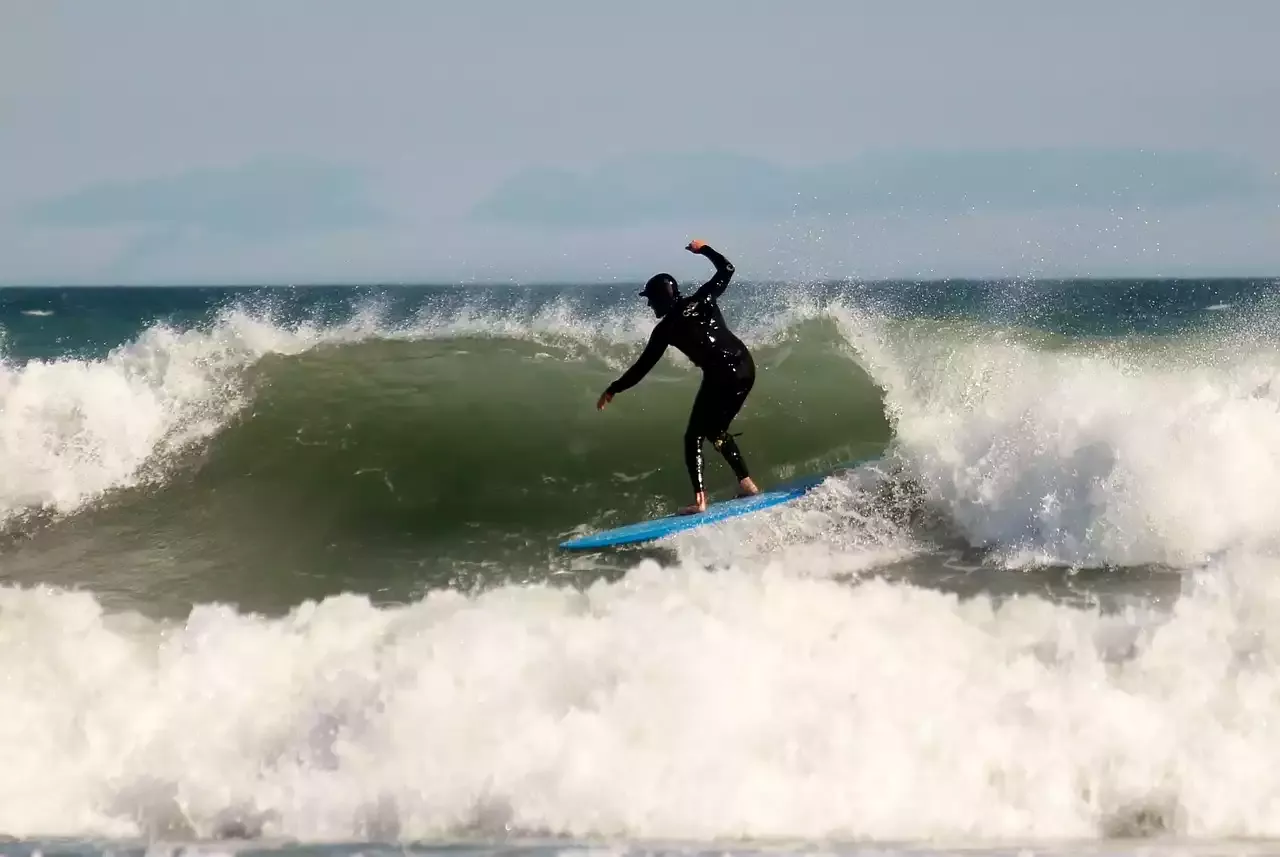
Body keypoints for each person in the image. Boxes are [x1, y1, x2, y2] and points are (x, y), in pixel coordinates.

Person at [596, 239, 760, 515]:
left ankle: (700, 501)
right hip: (745, 368)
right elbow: (727, 269)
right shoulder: (703, 298)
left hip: (720, 376)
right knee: (715, 430)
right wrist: (704, 249)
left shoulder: (666, 329)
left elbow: (641, 368)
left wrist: (613, 388)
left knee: (694, 436)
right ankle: (746, 484)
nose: (649, 306)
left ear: (660, 298)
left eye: (650, 300)